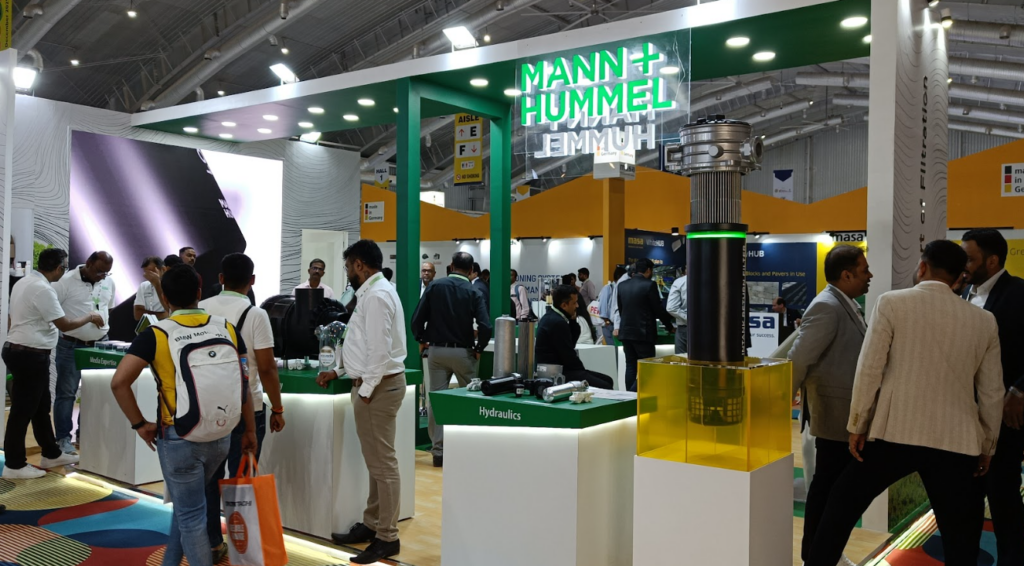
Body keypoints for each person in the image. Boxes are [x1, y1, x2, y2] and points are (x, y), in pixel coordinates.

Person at [806, 240, 1005, 566]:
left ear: (923, 267)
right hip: (957, 441)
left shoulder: (892, 303)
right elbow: (992, 392)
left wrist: (857, 424)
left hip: (893, 432)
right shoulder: (984, 321)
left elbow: (869, 369)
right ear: (959, 277)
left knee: (839, 510)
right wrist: (988, 446)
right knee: (960, 537)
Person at [110, 264, 257, 566]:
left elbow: (119, 382)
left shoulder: (157, 334)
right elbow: (244, 384)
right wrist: (251, 430)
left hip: (179, 436)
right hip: (221, 434)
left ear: (164, 298)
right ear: (199, 293)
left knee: (190, 515)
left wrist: (140, 424)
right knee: (186, 506)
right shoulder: (227, 328)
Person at [316, 240, 407, 564]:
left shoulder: (377, 295)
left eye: (347, 267)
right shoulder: (373, 292)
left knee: (383, 465)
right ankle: (373, 524)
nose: (347, 274)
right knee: (377, 464)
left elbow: (379, 352)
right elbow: (364, 345)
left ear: (359, 265)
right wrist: (340, 371)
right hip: (374, 385)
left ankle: (387, 537)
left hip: (378, 388)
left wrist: (366, 390)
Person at [200, 253, 286, 562]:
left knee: (209, 479)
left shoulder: (200, 308)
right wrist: (278, 408)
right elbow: (267, 368)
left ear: (221, 279)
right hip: (247, 408)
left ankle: (211, 542)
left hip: (207, 407)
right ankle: (243, 548)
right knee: (242, 480)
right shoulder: (255, 314)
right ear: (252, 281)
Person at [789, 245, 871, 565]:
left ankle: (824, 553)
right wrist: (784, 396)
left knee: (831, 491)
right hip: (833, 417)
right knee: (827, 491)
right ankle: (816, 555)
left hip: (842, 417)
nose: (870, 275)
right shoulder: (827, 306)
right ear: (846, 275)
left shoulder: (844, 303)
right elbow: (799, 358)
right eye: (864, 270)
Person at [1, 248, 100, 479]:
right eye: (63, 267)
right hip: (29, 354)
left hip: (24, 351)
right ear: (58, 268)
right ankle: (14, 465)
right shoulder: (43, 289)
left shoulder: (25, 282)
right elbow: (64, 325)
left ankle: (51, 453)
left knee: (40, 406)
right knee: (22, 411)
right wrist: (90, 316)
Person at [960, 229, 1024, 566]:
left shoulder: (1019, 293)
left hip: (1005, 416)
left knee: (1003, 498)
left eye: (969, 258)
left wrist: (1019, 389)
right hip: (963, 417)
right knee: (965, 500)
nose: (964, 265)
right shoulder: (962, 293)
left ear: (993, 260)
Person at [412, 252, 492, 468]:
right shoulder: (474, 291)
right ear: (471, 270)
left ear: (450, 266)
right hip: (463, 353)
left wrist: (422, 339)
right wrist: (479, 348)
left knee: (436, 400)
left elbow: (417, 319)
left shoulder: (434, 287)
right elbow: (485, 326)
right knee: (469, 399)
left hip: (437, 352)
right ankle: (468, 448)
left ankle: (438, 451)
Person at [53, 251, 116, 454]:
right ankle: (63, 439)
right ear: (88, 263)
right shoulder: (65, 281)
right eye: (99, 271)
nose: (102, 276)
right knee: (66, 394)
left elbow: (108, 308)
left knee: (95, 392)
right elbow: (53, 312)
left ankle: (86, 435)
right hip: (70, 345)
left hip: (100, 344)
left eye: (106, 273)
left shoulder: (108, 282)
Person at [535, 285, 614, 389]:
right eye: (574, 303)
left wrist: (573, 321)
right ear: (564, 305)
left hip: (563, 368)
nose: (577, 306)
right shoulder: (557, 323)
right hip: (558, 372)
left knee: (608, 380)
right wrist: (583, 372)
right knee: (605, 385)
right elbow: (568, 354)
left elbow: (571, 344)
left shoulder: (553, 317)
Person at [616, 258, 674, 392]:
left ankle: (629, 397)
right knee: (647, 366)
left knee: (630, 365)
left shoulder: (622, 285)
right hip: (643, 333)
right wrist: (670, 326)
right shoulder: (650, 285)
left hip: (626, 332)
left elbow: (621, 309)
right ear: (648, 270)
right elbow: (658, 309)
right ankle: (636, 393)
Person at [597, 266, 627, 345]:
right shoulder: (608, 288)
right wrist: (607, 322)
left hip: (618, 325)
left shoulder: (620, 288)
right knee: (613, 349)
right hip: (609, 325)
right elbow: (602, 308)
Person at [134, 256, 167, 321]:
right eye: (146, 273)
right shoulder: (144, 286)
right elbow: (137, 314)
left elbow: (172, 310)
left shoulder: (172, 284)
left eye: (151, 273)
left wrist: (157, 284)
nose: (148, 277)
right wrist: (163, 315)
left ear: (163, 269)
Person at [665, 266, 688, 355]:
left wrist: (688, 318)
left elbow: (671, 307)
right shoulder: (715, 280)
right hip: (709, 328)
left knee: (682, 359)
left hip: (685, 328)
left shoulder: (680, 282)